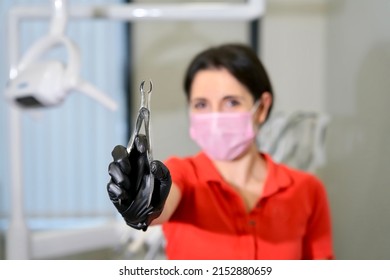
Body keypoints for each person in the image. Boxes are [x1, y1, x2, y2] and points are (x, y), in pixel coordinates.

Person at [107, 43, 334, 260]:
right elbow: (163, 204)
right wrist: (141, 203)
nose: (215, 117)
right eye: (201, 104)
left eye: (231, 102)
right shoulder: (183, 175)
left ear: (262, 108)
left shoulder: (307, 190)